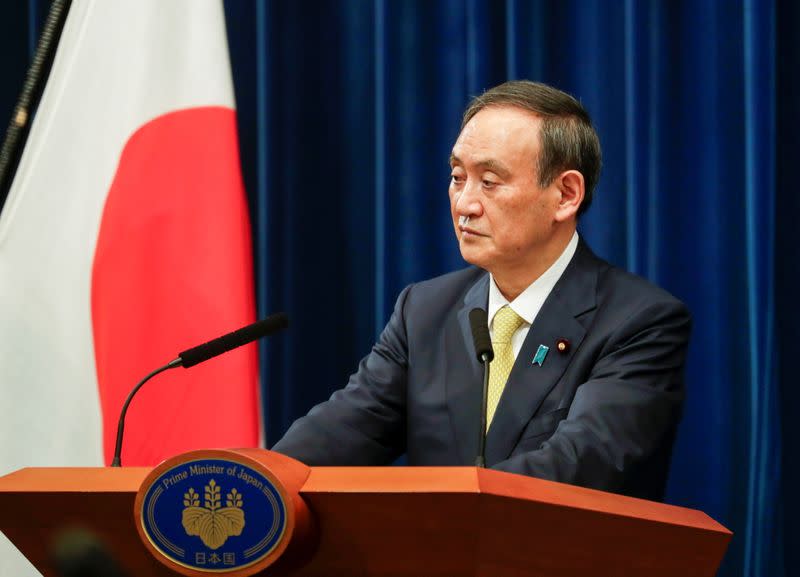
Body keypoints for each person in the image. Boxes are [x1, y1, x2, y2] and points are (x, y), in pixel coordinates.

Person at [272, 80, 690, 501]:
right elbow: (341, 432)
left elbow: (580, 464)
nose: (464, 204)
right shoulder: (424, 311)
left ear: (565, 195)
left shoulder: (640, 321)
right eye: (457, 177)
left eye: (489, 181)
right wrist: (253, 482)